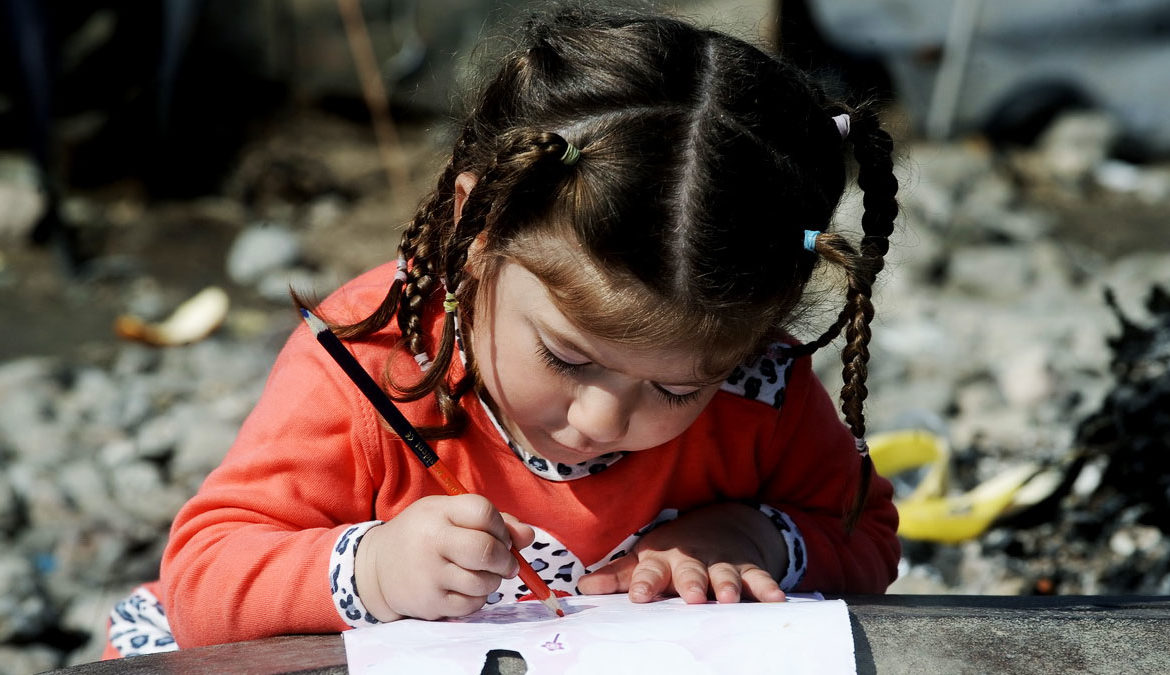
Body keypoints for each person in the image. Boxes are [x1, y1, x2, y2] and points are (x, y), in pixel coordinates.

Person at [105, 2, 901, 656]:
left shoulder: (754, 386)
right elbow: (201, 581)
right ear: (475, 227)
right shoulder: (373, 358)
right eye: (566, 356)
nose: (602, 419)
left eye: (675, 388)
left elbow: (865, 531)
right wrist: (374, 569)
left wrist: (752, 536)